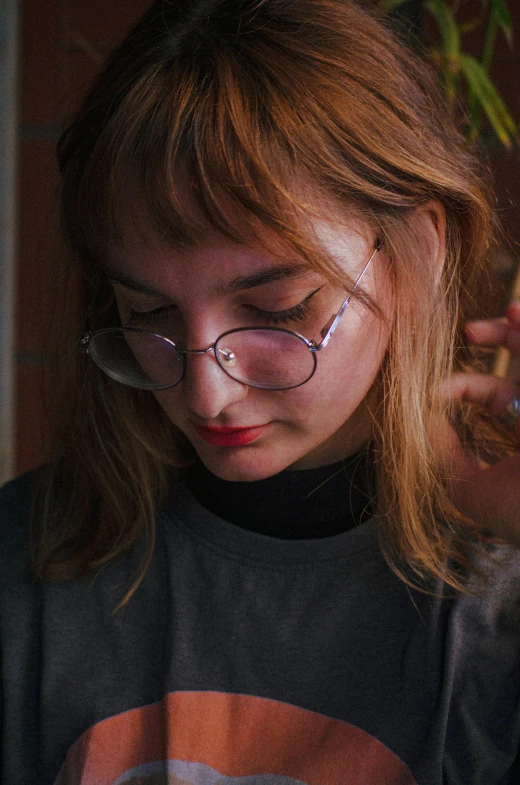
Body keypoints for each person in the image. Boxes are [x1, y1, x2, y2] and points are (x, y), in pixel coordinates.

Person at [1, 0, 520, 782]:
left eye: (278, 309)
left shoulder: (499, 593)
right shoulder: (27, 559)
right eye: (149, 314)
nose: (207, 393)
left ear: (421, 249)